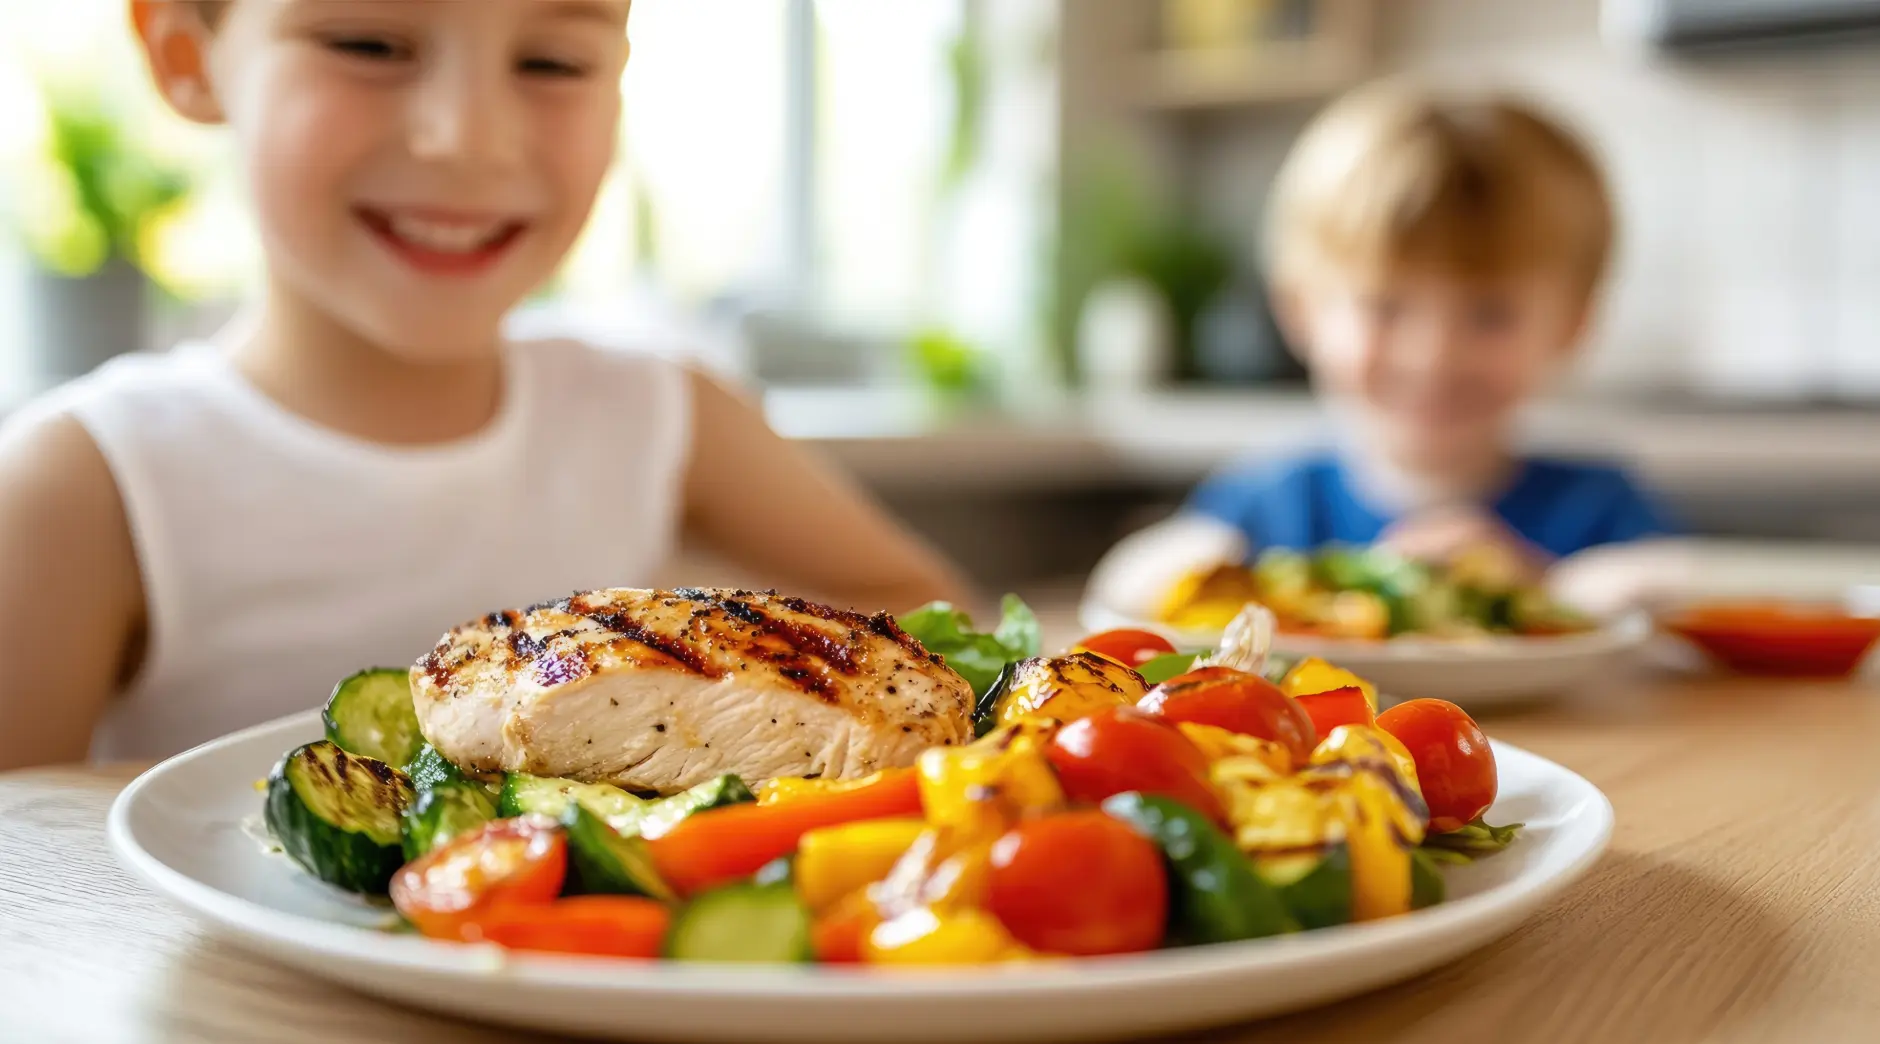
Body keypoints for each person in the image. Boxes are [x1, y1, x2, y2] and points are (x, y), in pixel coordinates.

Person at [0, 0, 969, 769]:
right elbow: (27, 863)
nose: (467, 138)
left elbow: (936, 637)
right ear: (185, 55)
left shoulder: (665, 411)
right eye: (368, 42)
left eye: (552, 61)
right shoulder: (84, 479)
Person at [1089, 79, 1687, 620]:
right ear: (1301, 310)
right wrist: (1182, 567)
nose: (1433, 354)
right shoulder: (1269, 505)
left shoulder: (1595, 506)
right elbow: (1131, 582)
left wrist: (1546, 591)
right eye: (1384, 307)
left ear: (1572, 326)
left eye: (1490, 314)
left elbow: (1677, 589)